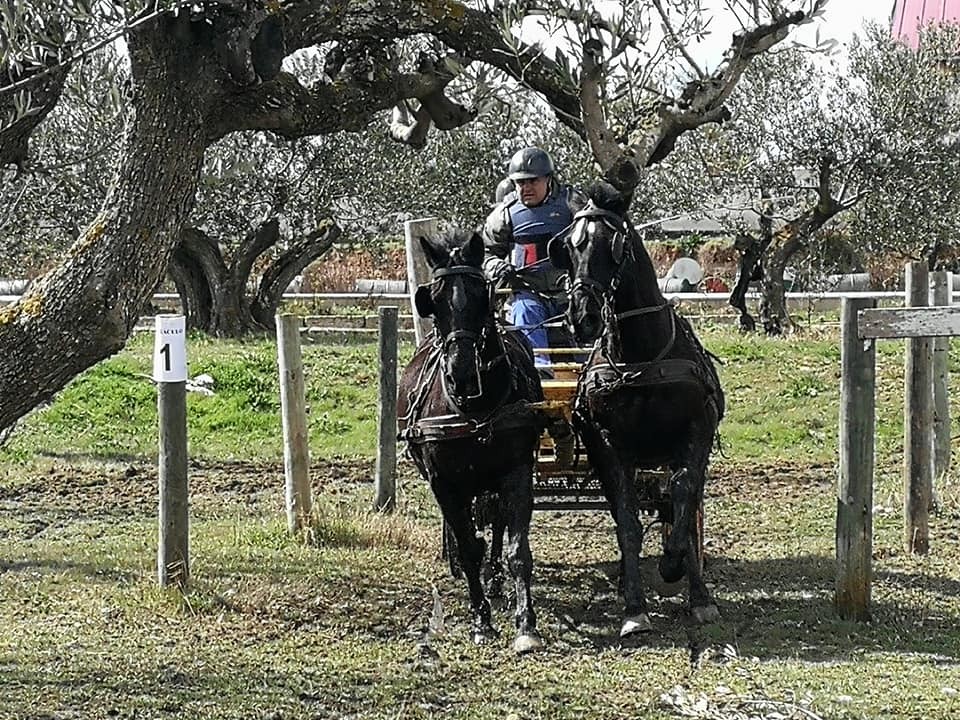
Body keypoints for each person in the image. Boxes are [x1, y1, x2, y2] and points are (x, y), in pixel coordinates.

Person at [482, 147, 584, 376]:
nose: (526, 187)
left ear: (548, 179)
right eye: (520, 182)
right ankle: (540, 374)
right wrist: (496, 266)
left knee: (585, 313)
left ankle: (590, 370)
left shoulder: (573, 203)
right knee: (524, 311)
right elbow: (485, 254)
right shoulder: (504, 214)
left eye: (533, 181)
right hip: (529, 292)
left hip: (570, 292)